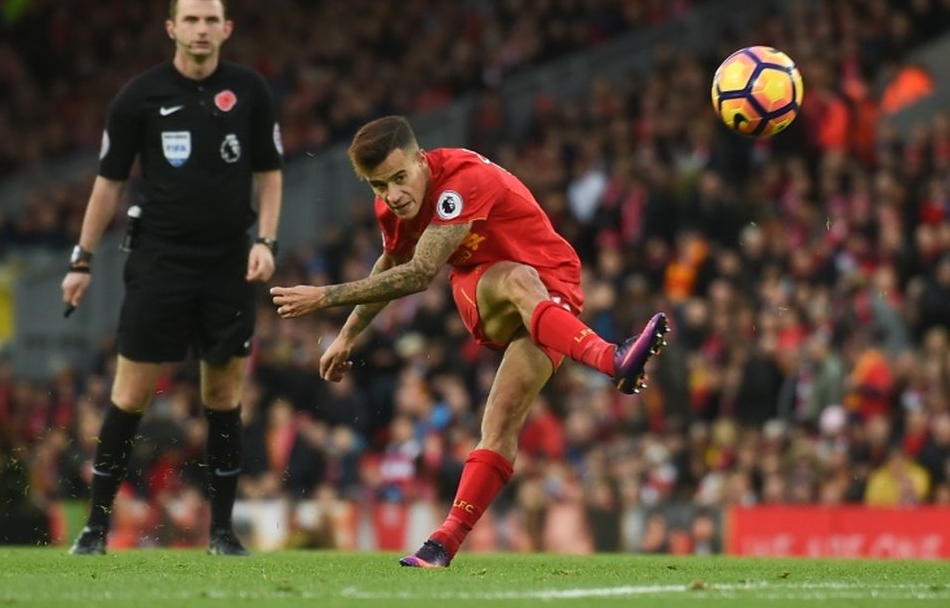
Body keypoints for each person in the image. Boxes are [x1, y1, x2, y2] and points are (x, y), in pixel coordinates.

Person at [270, 115, 667, 567]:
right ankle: (612, 358)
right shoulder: (394, 209)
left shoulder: (462, 181)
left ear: (420, 160)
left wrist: (324, 297)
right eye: (379, 187)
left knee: (500, 423)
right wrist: (346, 335)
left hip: (556, 291)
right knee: (518, 278)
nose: (393, 196)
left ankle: (442, 544)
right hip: (485, 289)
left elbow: (419, 273)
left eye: (400, 178)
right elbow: (395, 265)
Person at [61, 0, 284, 556]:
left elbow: (271, 171)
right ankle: (94, 528)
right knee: (131, 390)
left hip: (227, 261)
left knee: (224, 391)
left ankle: (222, 531)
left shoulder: (249, 90)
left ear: (226, 28)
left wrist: (267, 240)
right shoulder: (140, 97)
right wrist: (81, 260)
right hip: (159, 258)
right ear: (172, 28)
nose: (202, 29)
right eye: (191, 19)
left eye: (212, 19)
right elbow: (107, 182)